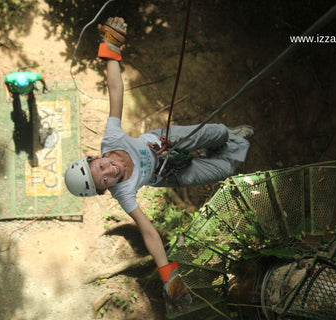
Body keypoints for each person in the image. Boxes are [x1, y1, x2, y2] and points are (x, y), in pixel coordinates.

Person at [64, 17, 255, 312]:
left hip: (164, 142)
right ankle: (236, 143)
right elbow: (149, 232)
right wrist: (169, 277)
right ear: (106, 190)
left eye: (100, 166)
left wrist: (111, 46)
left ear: (96, 157)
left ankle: (229, 135)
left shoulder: (111, 139)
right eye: (104, 180)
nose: (109, 171)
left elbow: (116, 91)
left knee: (212, 133)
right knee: (225, 169)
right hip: (169, 173)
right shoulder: (124, 193)